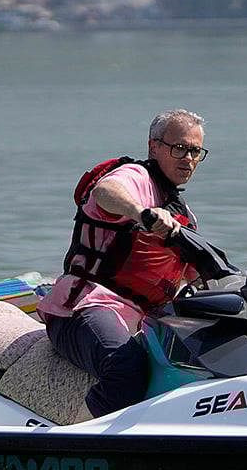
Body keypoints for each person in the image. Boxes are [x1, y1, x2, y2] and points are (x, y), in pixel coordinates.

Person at [37, 108, 207, 422]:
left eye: (196, 151)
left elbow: (196, 278)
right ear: (154, 147)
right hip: (86, 306)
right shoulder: (135, 178)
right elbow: (105, 192)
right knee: (126, 367)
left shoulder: (184, 215)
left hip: (143, 319)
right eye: (179, 148)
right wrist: (141, 213)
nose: (188, 159)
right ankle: (75, 440)